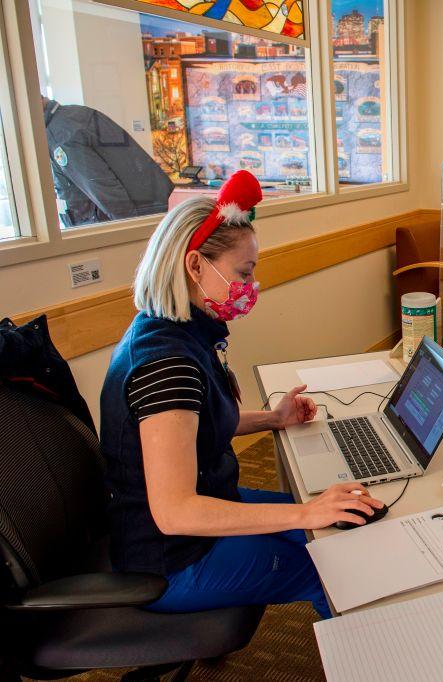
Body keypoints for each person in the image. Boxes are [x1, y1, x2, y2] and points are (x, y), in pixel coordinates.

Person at [100, 170, 384, 619]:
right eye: (243, 272)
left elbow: (197, 424)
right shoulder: (167, 366)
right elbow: (176, 513)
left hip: (203, 512)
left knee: (339, 523)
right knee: (332, 568)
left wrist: (271, 419)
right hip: (170, 558)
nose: (250, 286)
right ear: (195, 265)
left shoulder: (173, 331)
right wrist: (304, 514)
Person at [42, 97, 174, 227]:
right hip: (153, 207)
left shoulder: (61, 136)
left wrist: (129, 229)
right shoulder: (74, 115)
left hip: (137, 216)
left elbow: (102, 187)